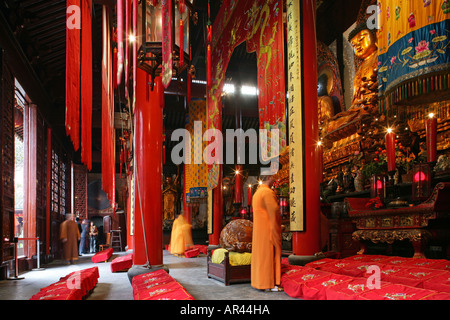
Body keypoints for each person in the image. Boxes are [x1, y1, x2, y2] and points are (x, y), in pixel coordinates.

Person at [327, 21, 378, 132]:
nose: (358, 46)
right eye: (354, 45)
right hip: (359, 111)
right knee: (330, 126)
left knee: (361, 119)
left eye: (361, 39)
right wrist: (344, 114)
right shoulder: (360, 69)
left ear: (376, 36)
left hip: (374, 108)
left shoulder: (379, 57)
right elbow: (356, 102)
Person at [251, 175, 282, 292]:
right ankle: (269, 283)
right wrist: (277, 228)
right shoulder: (267, 192)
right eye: (274, 176)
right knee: (269, 255)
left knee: (260, 257)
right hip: (268, 229)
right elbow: (274, 211)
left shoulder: (257, 193)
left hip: (259, 230)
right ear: (269, 177)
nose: (275, 179)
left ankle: (258, 281)